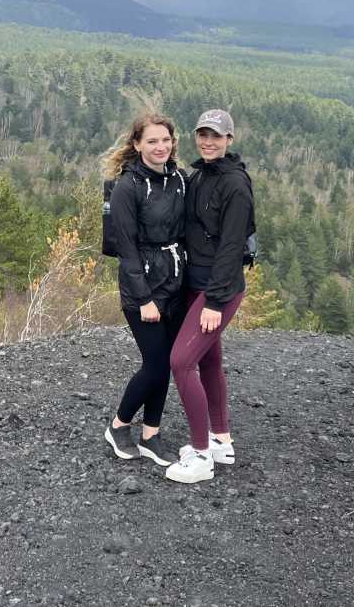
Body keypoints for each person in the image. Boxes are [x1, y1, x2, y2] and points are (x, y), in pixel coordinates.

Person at [165, 108, 252, 484]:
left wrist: (215, 302)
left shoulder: (235, 184)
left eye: (216, 136)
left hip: (218, 290)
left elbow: (232, 247)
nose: (208, 142)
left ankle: (201, 455)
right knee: (209, 360)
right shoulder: (200, 175)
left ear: (229, 139)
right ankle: (221, 441)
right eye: (203, 134)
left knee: (181, 361)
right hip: (196, 284)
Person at [102, 113, 188, 467]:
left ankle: (151, 435)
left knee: (165, 364)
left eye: (166, 140)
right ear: (137, 144)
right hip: (143, 290)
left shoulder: (179, 179)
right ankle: (119, 425)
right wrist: (144, 299)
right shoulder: (128, 187)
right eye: (152, 141)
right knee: (155, 364)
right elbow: (126, 249)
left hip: (175, 283)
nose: (160, 147)